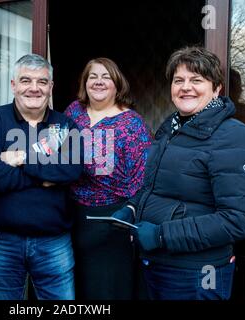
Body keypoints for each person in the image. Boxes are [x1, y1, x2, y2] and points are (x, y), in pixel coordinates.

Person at [112, 46, 245, 300]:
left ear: (217, 88)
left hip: (197, 274)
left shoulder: (233, 135)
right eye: (178, 80)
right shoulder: (171, 128)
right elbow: (154, 187)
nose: (185, 87)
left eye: (197, 80)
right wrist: (132, 208)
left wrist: (161, 235)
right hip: (157, 265)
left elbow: (237, 219)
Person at [0, 54, 83, 300]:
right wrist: (44, 176)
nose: (34, 88)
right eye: (26, 80)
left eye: (42, 82)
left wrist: (20, 158)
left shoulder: (65, 126)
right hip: (1, 241)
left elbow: (72, 170)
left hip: (53, 242)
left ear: (50, 87)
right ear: (13, 85)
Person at [64, 57, 151, 300]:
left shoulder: (131, 123)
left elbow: (143, 179)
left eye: (106, 77)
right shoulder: (73, 112)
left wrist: (132, 213)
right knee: (73, 289)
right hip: (72, 217)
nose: (99, 82)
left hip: (112, 221)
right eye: (93, 76)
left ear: (117, 84)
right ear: (85, 82)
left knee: (106, 290)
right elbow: (56, 151)